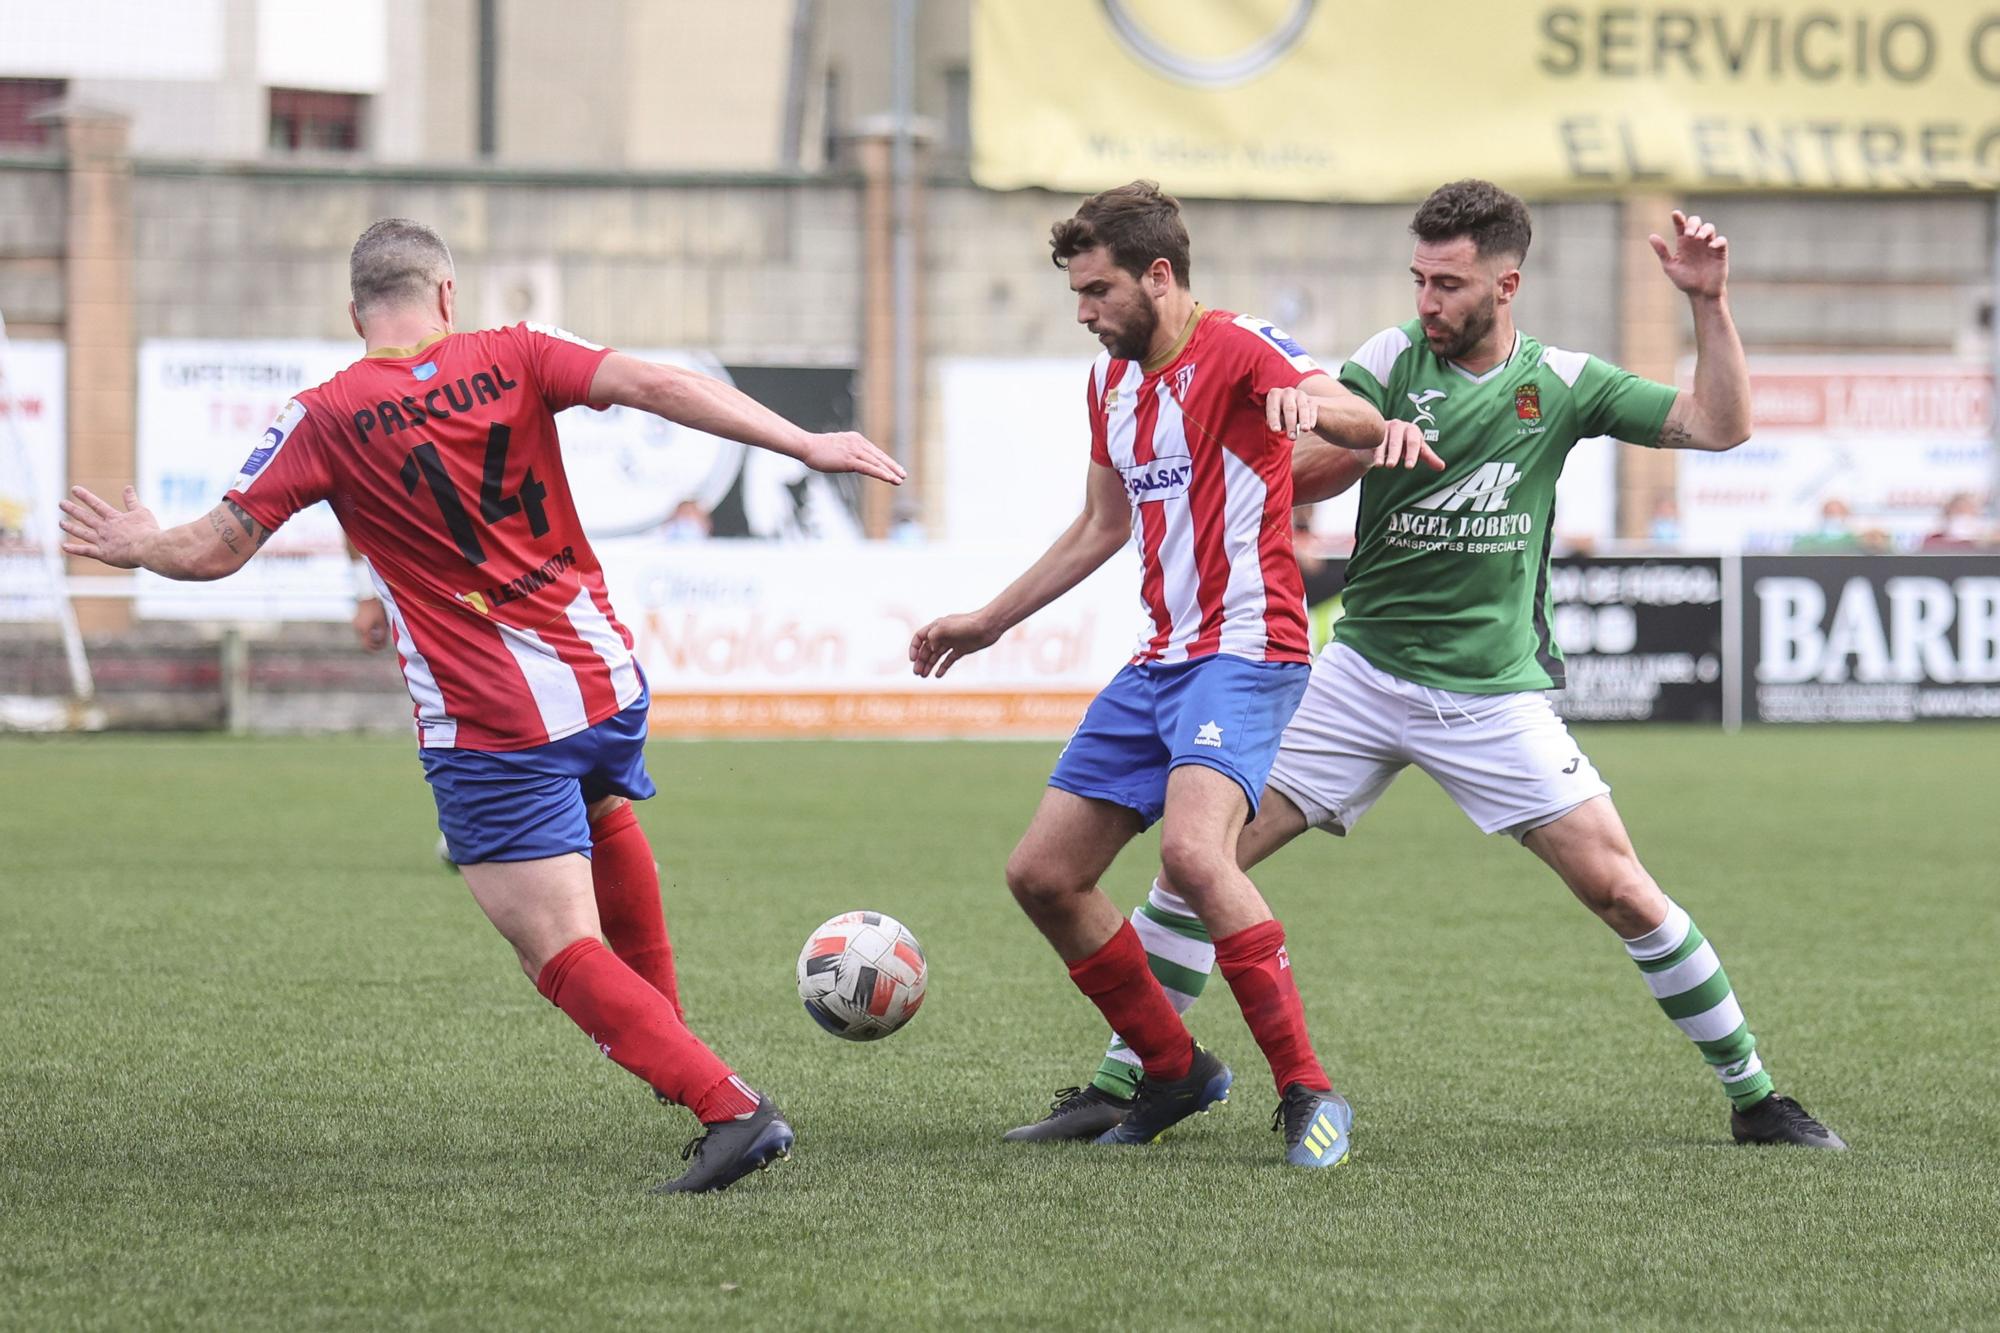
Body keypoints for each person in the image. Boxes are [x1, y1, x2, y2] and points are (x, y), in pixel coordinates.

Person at [59, 218, 906, 1193]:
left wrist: (141, 543)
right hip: (603, 677)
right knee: (599, 807)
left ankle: (727, 1108)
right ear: (447, 296)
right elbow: (660, 385)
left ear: (356, 314)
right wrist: (803, 440)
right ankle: (671, 1041)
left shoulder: (327, 414)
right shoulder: (518, 351)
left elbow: (216, 546)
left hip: (491, 721)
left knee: (555, 947)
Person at [1012, 179, 1844, 1152]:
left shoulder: (1562, 383)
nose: (1425, 303)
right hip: (1354, 679)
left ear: (1505, 283)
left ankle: (1755, 1096)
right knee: (1200, 862)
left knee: (1619, 887)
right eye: (1417, 280)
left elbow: (1718, 426)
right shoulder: (1386, 363)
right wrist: (1326, 438)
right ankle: (1131, 1079)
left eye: (1446, 284)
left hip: (1488, 697)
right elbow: (1299, 474)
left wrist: (1705, 301)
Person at [909, 181, 1431, 1168]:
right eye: (1074, 293)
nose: (1083, 312)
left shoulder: (1237, 347)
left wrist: (1309, 408)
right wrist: (986, 621)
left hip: (1246, 652)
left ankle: (1309, 1094)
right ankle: (1171, 1067)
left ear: (1158, 275)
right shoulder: (1106, 383)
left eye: (1097, 290)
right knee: (1042, 876)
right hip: (1158, 663)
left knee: (1195, 856)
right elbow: (1100, 526)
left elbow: (1355, 420)